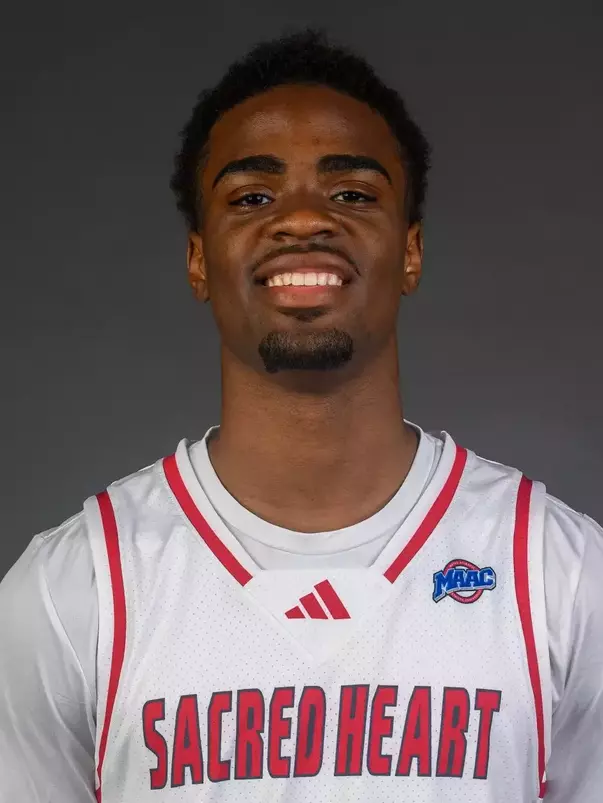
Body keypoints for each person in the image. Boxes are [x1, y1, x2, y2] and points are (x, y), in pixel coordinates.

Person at [0, 28, 601, 803]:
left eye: (352, 194)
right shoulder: (74, 589)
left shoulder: (558, 574)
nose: (303, 219)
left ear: (410, 251)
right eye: (252, 197)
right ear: (197, 259)